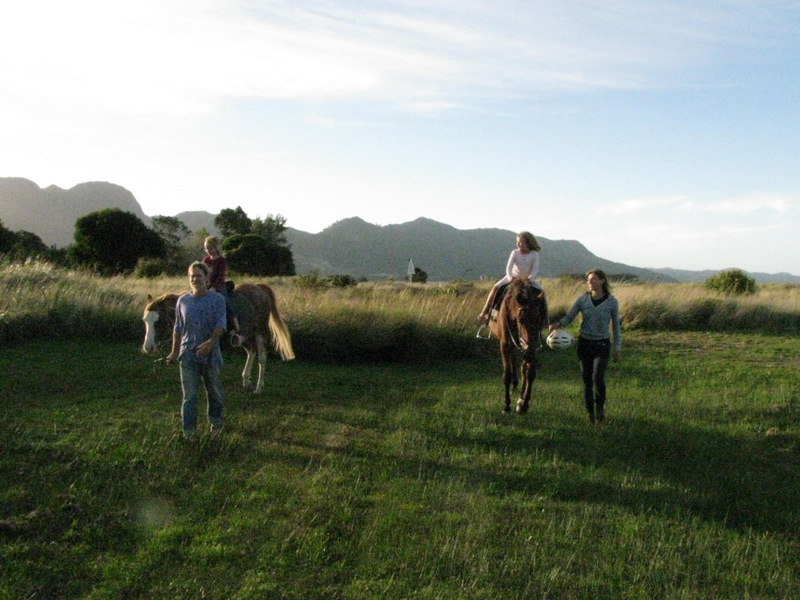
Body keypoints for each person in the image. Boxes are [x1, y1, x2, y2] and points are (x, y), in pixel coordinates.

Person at [550, 268, 621, 424]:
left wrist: (617, 348)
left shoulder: (612, 302)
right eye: (589, 280)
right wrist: (558, 324)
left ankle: (600, 410)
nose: (590, 282)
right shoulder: (582, 300)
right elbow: (570, 316)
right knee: (587, 380)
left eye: (594, 279)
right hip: (585, 344)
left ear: (602, 281)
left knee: (598, 378)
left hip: (602, 344)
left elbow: (616, 326)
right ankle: (590, 415)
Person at [166, 261, 227, 438]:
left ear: (207, 278)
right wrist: (174, 352)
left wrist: (210, 343)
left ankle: (215, 423)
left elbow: (221, 324)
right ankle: (189, 432)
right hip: (188, 356)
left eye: (198, 275)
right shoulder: (183, 301)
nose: (195, 278)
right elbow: (178, 328)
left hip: (210, 355)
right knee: (190, 396)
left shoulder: (217, 300)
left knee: (214, 392)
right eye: (192, 275)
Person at [478, 231, 542, 323]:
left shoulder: (534, 254)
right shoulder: (514, 253)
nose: (518, 244)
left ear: (528, 242)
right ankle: (485, 312)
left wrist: (529, 279)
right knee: (496, 288)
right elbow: (509, 267)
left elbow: (535, 269)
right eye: (517, 242)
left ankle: (544, 318)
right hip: (513, 278)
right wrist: (510, 277)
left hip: (527, 280)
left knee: (541, 292)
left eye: (521, 242)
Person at [202, 236, 243, 345]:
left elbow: (221, 276)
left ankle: (235, 326)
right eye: (207, 248)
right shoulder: (206, 260)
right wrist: (204, 284)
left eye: (211, 248)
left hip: (219, 285)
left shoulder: (221, 260)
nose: (209, 250)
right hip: (206, 285)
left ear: (216, 247)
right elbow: (203, 273)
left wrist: (214, 286)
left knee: (224, 301)